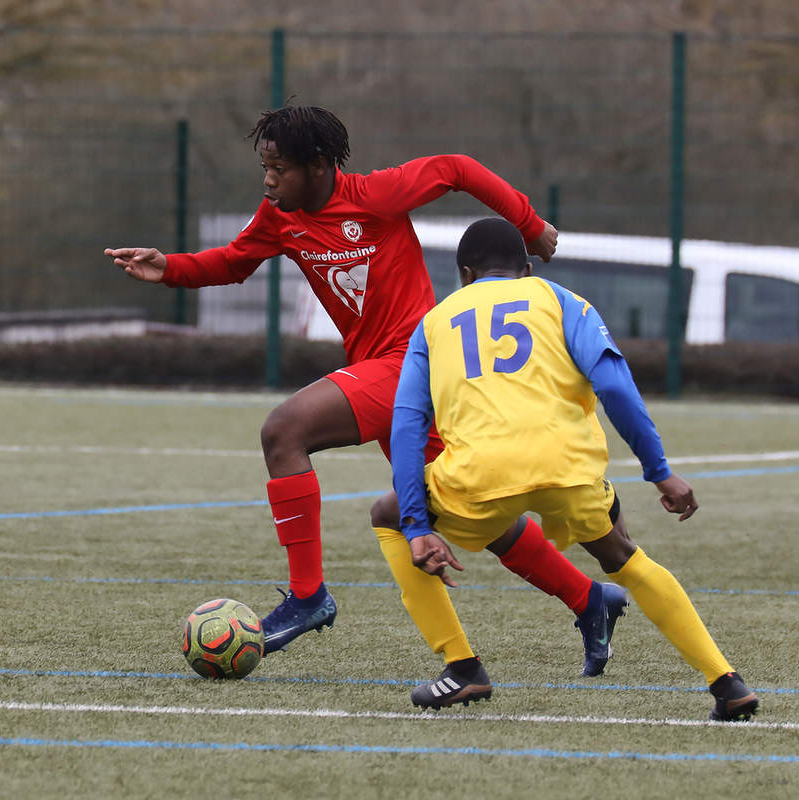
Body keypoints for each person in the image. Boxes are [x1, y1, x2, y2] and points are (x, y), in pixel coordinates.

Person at [105, 105, 624, 671]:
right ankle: (589, 599)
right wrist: (171, 267)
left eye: (279, 167)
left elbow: (455, 168)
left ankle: (308, 598)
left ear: (321, 165)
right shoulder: (280, 215)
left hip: (412, 362)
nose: (268, 179)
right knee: (472, 510)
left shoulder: (376, 196)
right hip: (391, 376)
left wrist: (529, 223)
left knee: (284, 431)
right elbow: (233, 262)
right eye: (265, 166)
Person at [380, 216, 759, 721]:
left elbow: (406, 424)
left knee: (385, 514)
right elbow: (616, 388)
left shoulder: (434, 322)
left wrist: (414, 524)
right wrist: (659, 470)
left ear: (464, 275)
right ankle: (726, 683)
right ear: (528, 268)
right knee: (624, 556)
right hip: (569, 469)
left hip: (479, 476)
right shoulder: (561, 300)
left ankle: (463, 669)